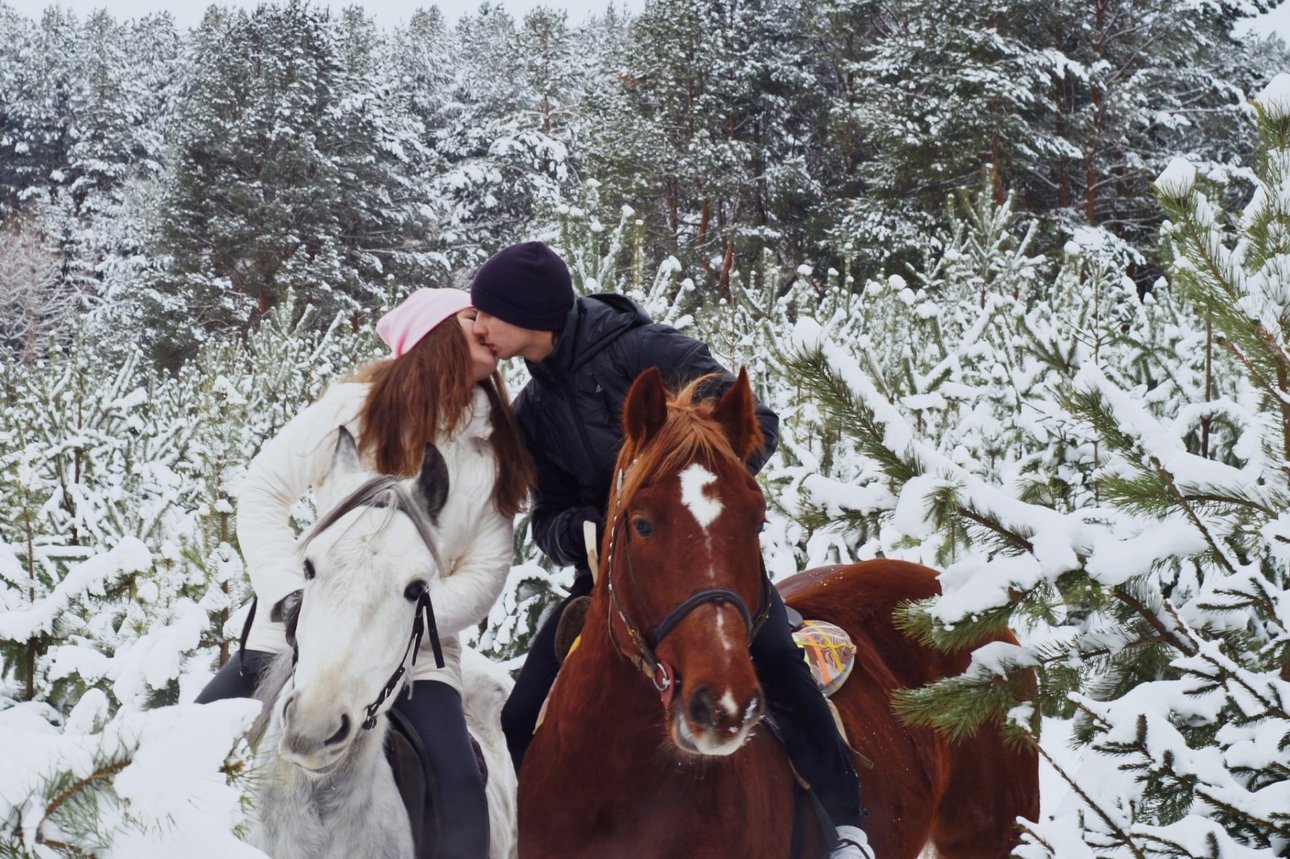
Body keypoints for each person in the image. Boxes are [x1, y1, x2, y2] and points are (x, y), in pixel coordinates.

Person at [468, 241, 872, 859]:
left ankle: (847, 831)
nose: (479, 324)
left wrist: (703, 497)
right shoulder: (534, 410)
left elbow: (754, 419)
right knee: (522, 709)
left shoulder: (645, 350)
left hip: (707, 566)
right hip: (612, 581)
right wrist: (583, 526)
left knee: (784, 674)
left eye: (487, 312)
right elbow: (545, 514)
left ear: (529, 315)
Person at [196, 287, 533, 859]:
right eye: (472, 315)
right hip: (296, 632)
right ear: (433, 336)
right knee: (189, 752)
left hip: (419, 652)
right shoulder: (350, 409)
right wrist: (292, 599)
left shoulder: (490, 451)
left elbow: (487, 570)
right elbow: (262, 493)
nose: (488, 327)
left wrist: (400, 617)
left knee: (460, 790)